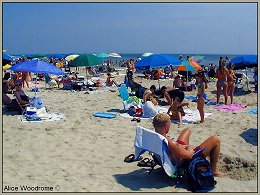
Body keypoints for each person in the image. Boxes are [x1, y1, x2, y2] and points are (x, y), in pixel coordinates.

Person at [152, 113, 224, 177]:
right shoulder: (170, 143)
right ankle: (214, 170)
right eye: (169, 123)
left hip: (174, 154)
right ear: (166, 126)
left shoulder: (154, 138)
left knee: (187, 130)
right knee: (215, 139)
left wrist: (180, 147)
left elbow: (173, 149)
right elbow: (189, 155)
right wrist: (189, 147)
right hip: (185, 162)